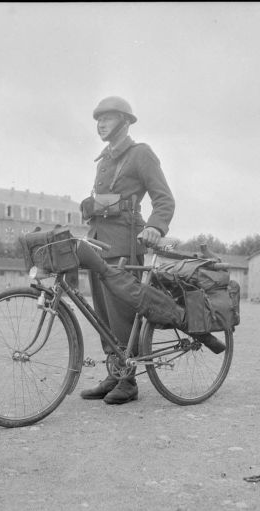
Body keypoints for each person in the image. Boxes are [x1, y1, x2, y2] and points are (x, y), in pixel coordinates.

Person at [79, 96, 175, 405]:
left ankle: (129, 381)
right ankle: (114, 372)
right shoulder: (105, 159)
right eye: (98, 119)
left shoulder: (140, 154)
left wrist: (155, 227)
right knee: (103, 315)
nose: (100, 124)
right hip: (97, 243)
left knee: (121, 315)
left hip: (123, 243)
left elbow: (164, 199)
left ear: (124, 121)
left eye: (107, 118)